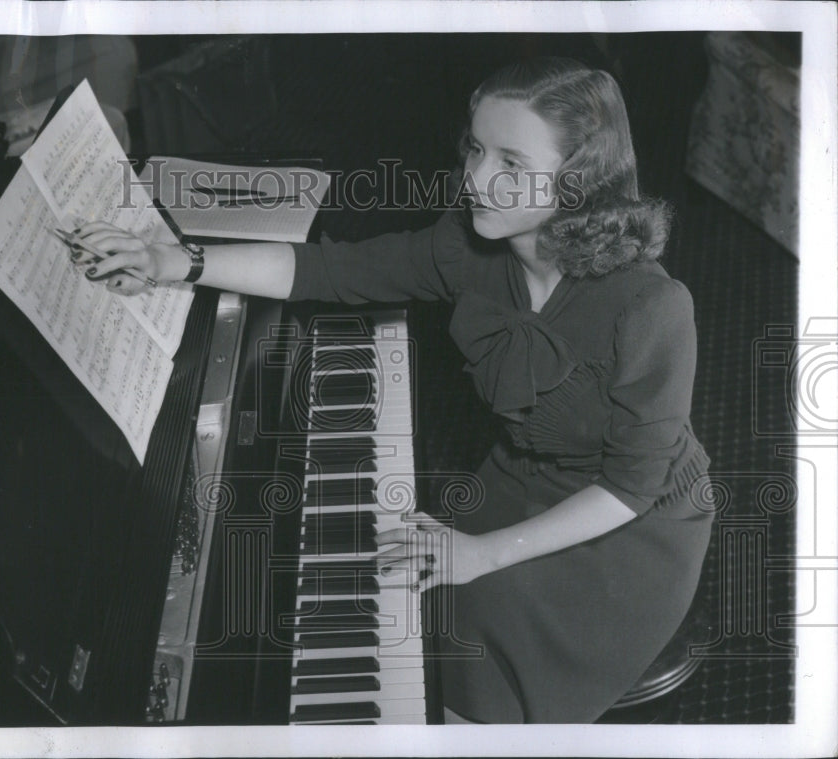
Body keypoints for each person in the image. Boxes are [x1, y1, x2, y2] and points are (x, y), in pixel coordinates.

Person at [74, 57, 712, 724]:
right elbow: (333, 269)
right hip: (529, 475)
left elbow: (632, 486)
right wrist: (176, 260)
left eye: (511, 164)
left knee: (469, 659)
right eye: (475, 148)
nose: (475, 179)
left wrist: (480, 553)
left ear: (577, 182)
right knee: (406, 610)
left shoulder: (652, 307)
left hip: (629, 526)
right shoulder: (468, 246)